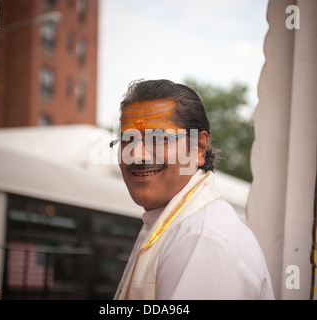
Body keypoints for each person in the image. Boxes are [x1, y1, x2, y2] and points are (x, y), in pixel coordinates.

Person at [111, 79, 274, 300]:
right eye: (128, 141)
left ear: (198, 148)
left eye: (158, 139)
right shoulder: (174, 224)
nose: (138, 155)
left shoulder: (203, 238)